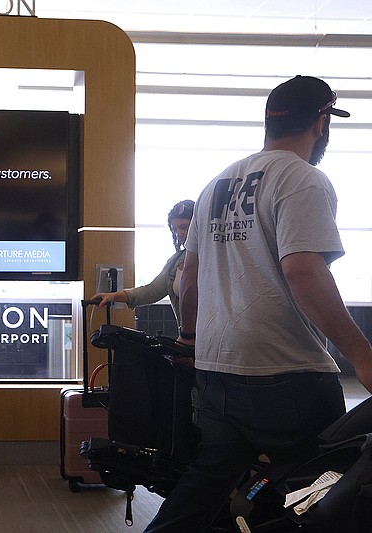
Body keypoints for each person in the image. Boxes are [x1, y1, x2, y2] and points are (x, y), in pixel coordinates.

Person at [144, 75, 372, 532]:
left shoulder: (216, 184)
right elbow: (303, 270)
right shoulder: (303, 179)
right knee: (316, 489)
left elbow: (189, 275)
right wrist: (363, 358)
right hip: (285, 373)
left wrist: (189, 337)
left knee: (209, 480)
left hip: (216, 369)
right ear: (322, 122)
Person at [92, 199, 194, 327]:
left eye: (184, 227)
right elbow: (151, 291)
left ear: (198, 225)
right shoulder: (175, 261)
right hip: (189, 338)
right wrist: (113, 296)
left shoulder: (216, 258)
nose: (179, 233)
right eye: (175, 229)